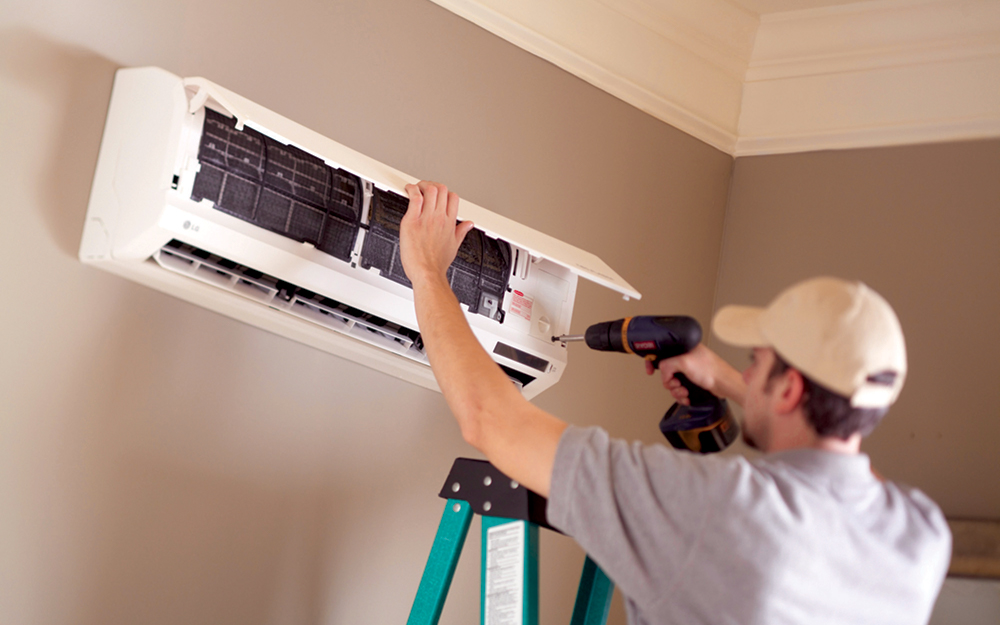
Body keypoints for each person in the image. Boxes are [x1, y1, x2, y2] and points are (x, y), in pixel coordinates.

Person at [398, 181, 951, 624]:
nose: (747, 369)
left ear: (789, 391)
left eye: (757, 361)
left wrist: (426, 269)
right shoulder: (921, 535)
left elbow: (493, 423)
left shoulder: (722, 507)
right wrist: (737, 384)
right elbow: (849, 475)